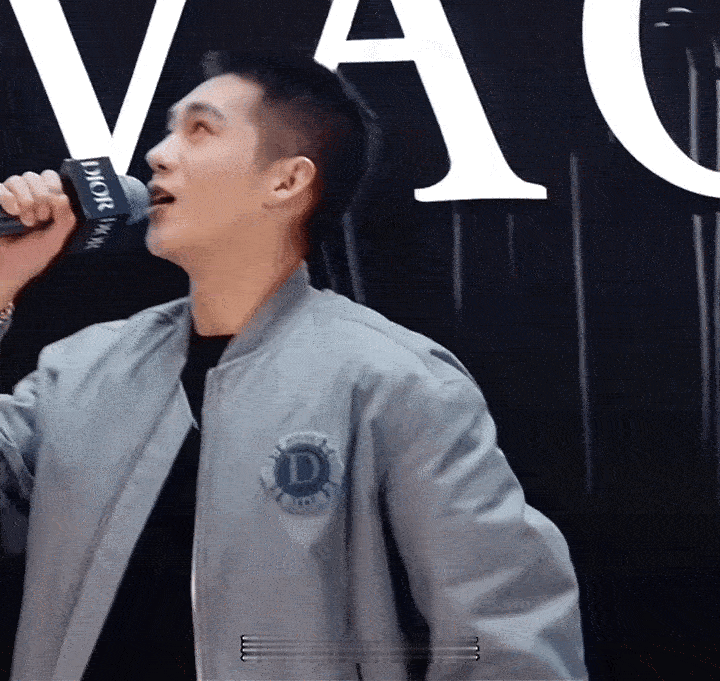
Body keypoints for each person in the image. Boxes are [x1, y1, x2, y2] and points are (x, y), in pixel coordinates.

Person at [0, 51, 587, 681]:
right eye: (169, 131)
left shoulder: (394, 381)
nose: (158, 155)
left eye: (200, 129)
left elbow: (507, 636)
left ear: (286, 181)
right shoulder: (81, 370)